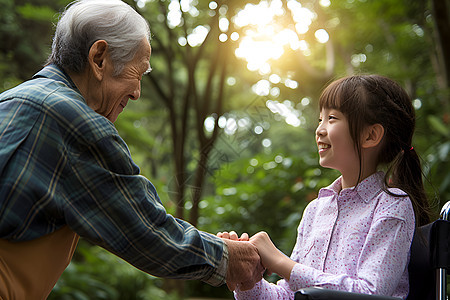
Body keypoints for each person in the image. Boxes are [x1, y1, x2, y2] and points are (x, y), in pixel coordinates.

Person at [0, 1, 262, 299]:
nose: (137, 92)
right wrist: (232, 258)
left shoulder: (10, 100)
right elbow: (147, 231)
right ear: (99, 58)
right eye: (137, 72)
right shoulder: (73, 121)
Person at [218, 75, 432, 299]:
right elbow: (290, 295)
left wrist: (280, 262)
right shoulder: (315, 210)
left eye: (331, 118)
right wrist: (247, 280)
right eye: (320, 119)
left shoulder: (391, 205)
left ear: (370, 135)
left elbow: (371, 293)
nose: (319, 129)